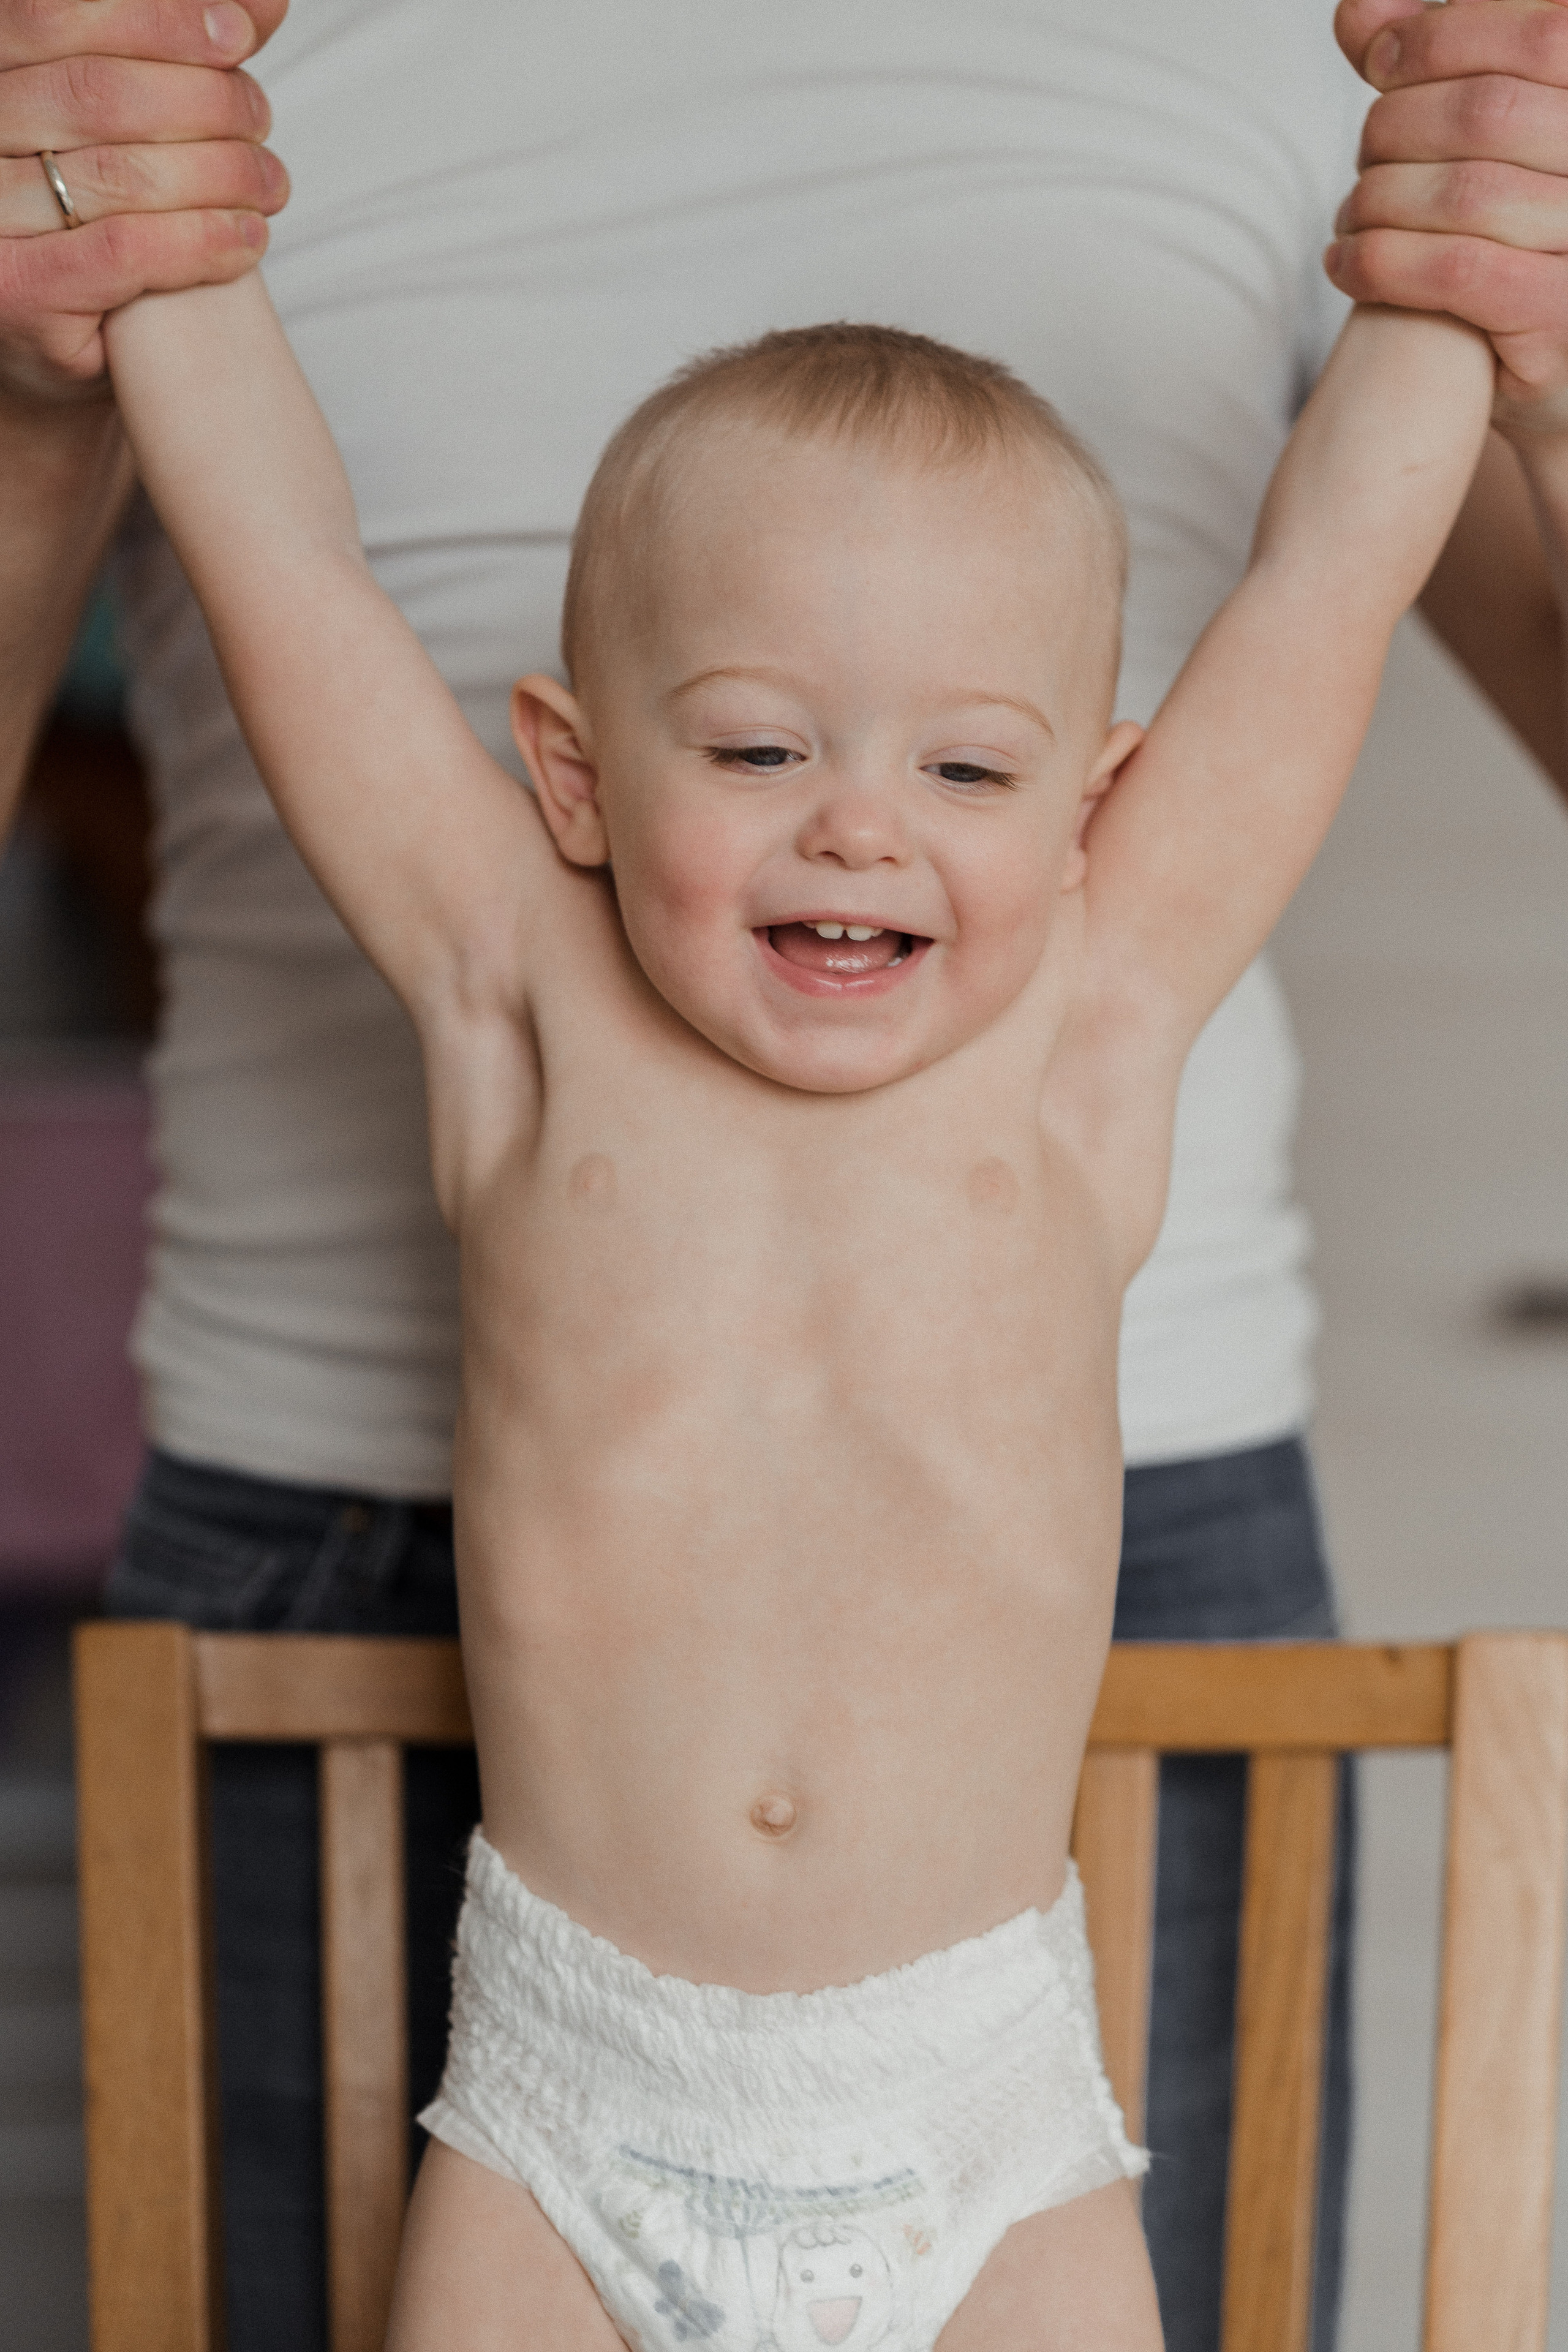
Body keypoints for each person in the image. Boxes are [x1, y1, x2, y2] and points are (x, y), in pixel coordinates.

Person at [4, 2, 1568, 2344]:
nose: (859, 824)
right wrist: (147, 213)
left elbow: (1323, 591)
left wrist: (1473, 252)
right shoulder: (520, 1002)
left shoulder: (1085, 1038)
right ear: (571, 774)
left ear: (1096, 804)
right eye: (755, 749)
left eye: (968, 770)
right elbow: (293, 577)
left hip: (985, 2110)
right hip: (560, 2101)